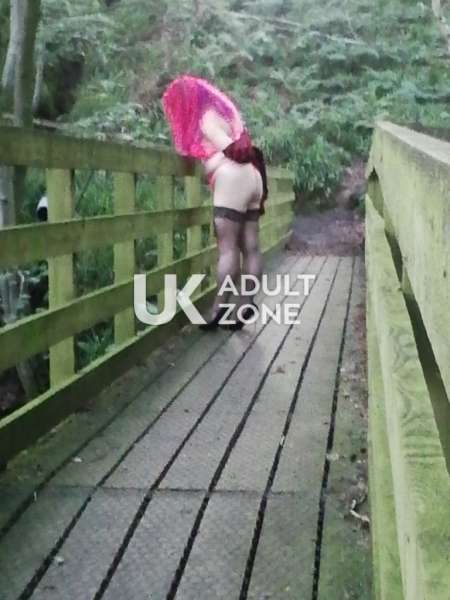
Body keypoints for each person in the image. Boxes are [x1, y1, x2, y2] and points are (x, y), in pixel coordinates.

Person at [162, 76, 268, 330]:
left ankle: (218, 310)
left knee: (228, 249)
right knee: (251, 247)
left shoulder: (207, 118)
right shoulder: (227, 116)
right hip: (253, 177)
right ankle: (245, 304)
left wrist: (212, 162)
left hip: (233, 178)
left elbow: (231, 150)